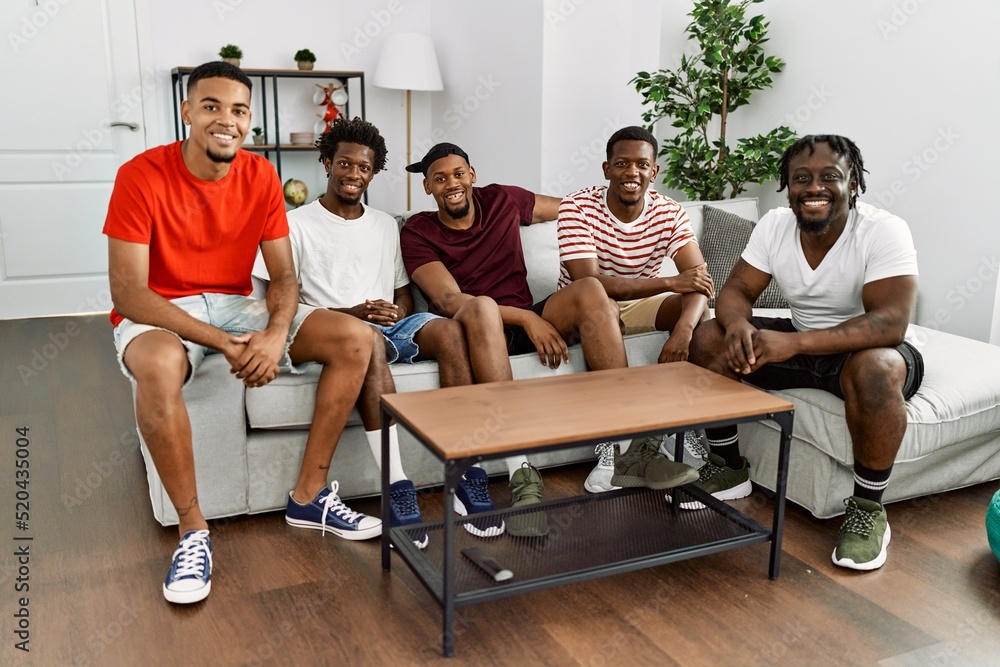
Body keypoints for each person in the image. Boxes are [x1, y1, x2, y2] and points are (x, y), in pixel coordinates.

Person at [104, 62, 380, 605]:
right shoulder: (140, 175)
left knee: (354, 338)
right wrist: (219, 341)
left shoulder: (260, 176)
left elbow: (283, 278)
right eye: (211, 106)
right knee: (158, 366)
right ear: (187, 112)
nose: (225, 120)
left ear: (250, 120)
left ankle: (309, 496)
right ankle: (193, 531)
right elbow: (129, 294)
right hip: (163, 306)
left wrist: (276, 331)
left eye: (238, 110)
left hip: (237, 304)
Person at [253, 117, 520, 540]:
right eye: (345, 164)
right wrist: (355, 313)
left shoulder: (383, 225)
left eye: (364, 168)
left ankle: (467, 472)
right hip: (336, 327)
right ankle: (397, 486)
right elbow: (278, 301)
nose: (354, 175)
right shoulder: (295, 223)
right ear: (327, 163)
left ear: (374, 172)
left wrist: (396, 312)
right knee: (370, 342)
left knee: (450, 332)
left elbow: (403, 294)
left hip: (384, 325)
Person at [400, 143, 697, 504]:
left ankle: (627, 449)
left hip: (534, 319)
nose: (452, 183)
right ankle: (520, 471)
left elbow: (572, 209)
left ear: (473, 175)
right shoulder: (417, 230)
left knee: (588, 287)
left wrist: (628, 212)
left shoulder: (502, 199)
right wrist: (526, 318)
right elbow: (449, 301)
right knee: (481, 307)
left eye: (458, 174)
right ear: (428, 187)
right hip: (481, 327)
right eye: (440, 178)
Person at [687, 134, 922, 571]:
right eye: (801, 178)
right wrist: (738, 324)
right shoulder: (775, 225)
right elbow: (736, 289)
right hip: (799, 341)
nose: (814, 187)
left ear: (854, 184)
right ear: (788, 186)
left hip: (862, 350)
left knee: (877, 367)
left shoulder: (883, 230)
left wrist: (793, 344)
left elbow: (890, 323)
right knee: (708, 337)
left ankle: (868, 512)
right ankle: (728, 467)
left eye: (830, 176)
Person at [557, 126, 711, 493]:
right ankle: (618, 447)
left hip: (637, 305)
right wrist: (671, 282)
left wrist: (683, 332)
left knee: (697, 311)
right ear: (606, 168)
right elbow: (590, 280)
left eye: (642, 164)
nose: (632, 172)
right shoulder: (577, 206)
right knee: (596, 294)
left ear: (654, 172)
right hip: (575, 306)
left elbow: (700, 279)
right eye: (622, 163)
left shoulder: (670, 212)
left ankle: (681, 429)